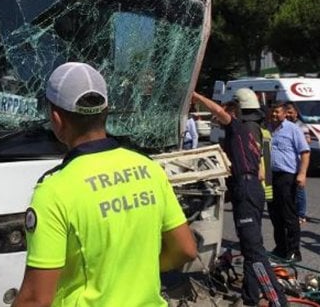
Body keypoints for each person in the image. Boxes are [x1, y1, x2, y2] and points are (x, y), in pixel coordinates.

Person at [14, 62, 196, 307]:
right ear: (106, 111)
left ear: (56, 119)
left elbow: (36, 299)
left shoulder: (54, 191)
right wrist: (134, 271)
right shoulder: (149, 169)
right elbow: (185, 249)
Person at [193, 92, 287, 307]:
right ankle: (250, 297)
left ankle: (277, 301)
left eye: (224, 111)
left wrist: (197, 96)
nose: (218, 116)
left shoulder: (237, 128)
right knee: (249, 246)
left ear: (233, 112)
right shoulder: (250, 136)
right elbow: (261, 174)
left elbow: (217, 111)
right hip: (251, 188)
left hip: (245, 189)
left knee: (254, 251)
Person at [268, 102, 310, 262]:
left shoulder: (293, 129)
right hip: (271, 177)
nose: (274, 115)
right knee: (274, 214)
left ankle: (294, 251)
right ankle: (280, 247)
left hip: (287, 176)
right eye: (272, 112)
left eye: (277, 112)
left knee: (288, 215)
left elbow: (305, 152)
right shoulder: (268, 130)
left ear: (285, 114)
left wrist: (302, 173)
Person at [284, 101, 308, 225]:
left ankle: (301, 214)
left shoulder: (301, 126)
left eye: (291, 112)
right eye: (286, 112)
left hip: (298, 163)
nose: (288, 115)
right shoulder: (283, 126)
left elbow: (306, 143)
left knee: (299, 190)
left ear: (296, 113)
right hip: (288, 164)